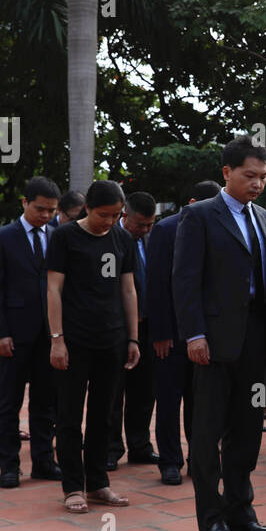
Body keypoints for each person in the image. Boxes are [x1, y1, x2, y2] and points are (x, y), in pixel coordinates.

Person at [174, 137, 266, 531]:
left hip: (256, 341)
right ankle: (211, 515)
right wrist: (195, 334)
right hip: (214, 342)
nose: (257, 184)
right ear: (227, 173)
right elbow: (185, 280)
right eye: (249, 175)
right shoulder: (200, 216)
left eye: (262, 177)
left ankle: (242, 509)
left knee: (248, 428)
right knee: (207, 431)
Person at [45, 180, 140, 513]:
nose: (110, 221)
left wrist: (132, 337)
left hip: (111, 339)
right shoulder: (65, 237)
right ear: (87, 208)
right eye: (104, 214)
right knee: (70, 415)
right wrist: (57, 339)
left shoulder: (122, 238)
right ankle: (73, 486)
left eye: (116, 215)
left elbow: (128, 290)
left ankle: (99, 482)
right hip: (74, 340)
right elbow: (53, 290)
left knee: (105, 415)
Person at [0, 176, 62, 488]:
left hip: (50, 334)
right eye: (40, 209)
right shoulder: (1, 237)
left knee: (46, 402)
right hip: (14, 335)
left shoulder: (59, 236)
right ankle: (9, 466)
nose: (45, 215)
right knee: (10, 402)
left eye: (51, 211)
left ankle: (44, 461)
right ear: (24, 203)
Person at [148, 180, 222, 486]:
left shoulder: (218, 227)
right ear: (191, 201)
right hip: (172, 333)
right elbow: (156, 285)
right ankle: (169, 460)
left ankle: (198, 457)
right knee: (168, 399)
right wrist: (161, 332)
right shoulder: (165, 230)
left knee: (201, 400)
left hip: (206, 331)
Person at [107, 192, 159, 470]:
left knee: (144, 390)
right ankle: (112, 448)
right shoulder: (110, 239)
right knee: (114, 391)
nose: (145, 230)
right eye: (141, 224)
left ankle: (140, 445)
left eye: (150, 224)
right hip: (117, 328)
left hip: (149, 327)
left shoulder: (154, 239)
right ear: (125, 216)